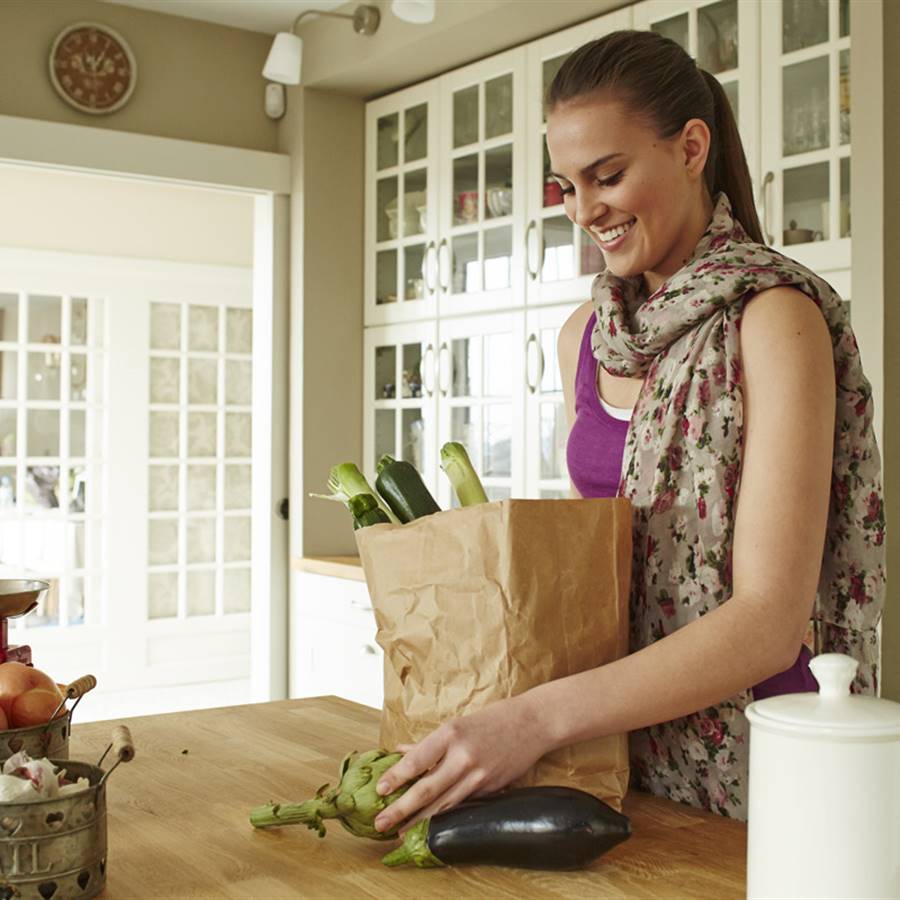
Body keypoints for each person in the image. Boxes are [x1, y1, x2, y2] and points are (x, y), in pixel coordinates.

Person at [372, 29, 885, 830]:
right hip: (614, 745)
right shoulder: (585, 334)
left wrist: (538, 718)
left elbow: (767, 622)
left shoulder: (776, 321)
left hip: (756, 756)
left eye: (607, 176)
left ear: (690, 147)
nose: (584, 211)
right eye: (567, 186)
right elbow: (598, 562)